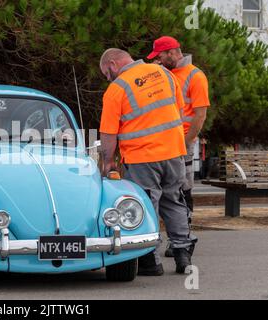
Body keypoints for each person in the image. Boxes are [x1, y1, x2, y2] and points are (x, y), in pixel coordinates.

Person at [99, 48, 197, 275]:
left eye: (106, 73)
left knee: (146, 205)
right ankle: (183, 256)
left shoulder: (117, 88)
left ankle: (150, 262)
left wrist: (108, 163)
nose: (107, 78)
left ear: (113, 64)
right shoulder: (164, 73)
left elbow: (108, 134)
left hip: (142, 157)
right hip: (174, 152)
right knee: (174, 201)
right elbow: (179, 108)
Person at [147, 36, 210, 257]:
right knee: (164, 193)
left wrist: (186, 142)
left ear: (173, 52)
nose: (159, 60)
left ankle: (181, 242)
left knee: (181, 191)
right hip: (160, 143)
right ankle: (173, 241)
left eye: (161, 56)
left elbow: (200, 115)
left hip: (182, 142)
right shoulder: (164, 73)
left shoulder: (195, 76)